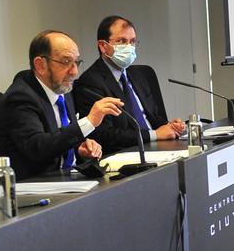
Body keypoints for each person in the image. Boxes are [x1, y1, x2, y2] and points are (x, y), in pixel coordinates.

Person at [0, 30, 124, 179]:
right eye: (66, 62)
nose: (74, 72)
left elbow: (57, 139)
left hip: (66, 178)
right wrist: (88, 122)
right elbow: (38, 148)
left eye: (77, 62)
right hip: (35, 186)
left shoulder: (62, 89)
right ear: (40, 65)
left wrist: (79, 148)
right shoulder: (20, 98)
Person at [74, 15, 185, 153]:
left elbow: (153, 116)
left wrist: (170, 127)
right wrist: (155, 135)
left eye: (132, 42)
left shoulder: (140, 75)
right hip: (126, 153)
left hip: (158, 148)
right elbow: (105, 135)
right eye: (121, 41)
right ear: (103, 46)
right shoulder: (91, 82)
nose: (128, 47)